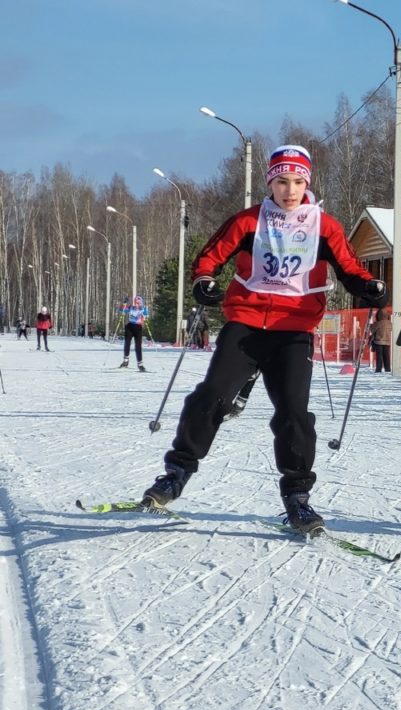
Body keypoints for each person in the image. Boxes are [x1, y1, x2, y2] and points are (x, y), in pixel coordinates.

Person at [141, 145, 387, 533]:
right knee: (213, 397)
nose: (290, 190)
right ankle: (176, 473)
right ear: (270, 182)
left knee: (294, 414)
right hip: (247, 323)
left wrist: (369, 285)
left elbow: (349, 267)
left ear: (308, 183)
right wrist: (204, 281)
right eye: (282, 181)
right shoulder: (248, 221)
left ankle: (298, 498)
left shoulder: (325, 225)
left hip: (295, 330)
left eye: (298, 181)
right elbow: (209, 257)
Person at [120, 296, 149, 370]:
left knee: (138, 346)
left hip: (138, 328)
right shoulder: (131, 307)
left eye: (138, 303)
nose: (137, 304)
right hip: (130, 326)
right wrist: (124, 304)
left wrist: (145, 312)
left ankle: (140, 364)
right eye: (136, 302)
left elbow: (146, 314)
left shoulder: (143, 309)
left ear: (141, 303)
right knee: (127, 343)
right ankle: (125, 361)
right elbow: (122, 310)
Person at [369, 307, 392, 373]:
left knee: (379, 356)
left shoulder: (378, 323)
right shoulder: (389, 323)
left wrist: (371, 325)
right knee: (386, 356)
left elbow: (372, 330)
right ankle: (387, 368)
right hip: (387, 341)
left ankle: (378, 369)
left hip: (378, 341)